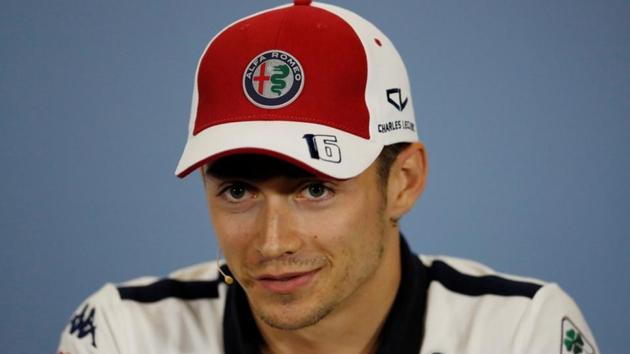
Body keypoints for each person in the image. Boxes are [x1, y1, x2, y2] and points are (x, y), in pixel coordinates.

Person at [57, 1, 599, 353]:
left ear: (403, 182)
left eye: (315, 189)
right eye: (238, 190)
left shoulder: (522, 334)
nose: (272, 243)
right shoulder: (123, 334)